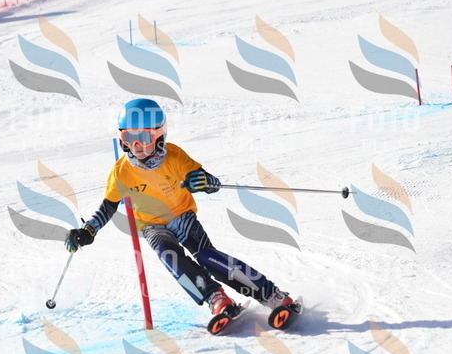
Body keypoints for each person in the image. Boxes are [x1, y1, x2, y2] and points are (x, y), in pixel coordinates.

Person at [65, 98, 296, 323]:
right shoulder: (121, 172)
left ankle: (271, 294)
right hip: (152, 225)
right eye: (129, 138)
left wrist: (203, 182)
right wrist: (88, 230)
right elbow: (108, 206)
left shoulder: (174, 157)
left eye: (144, 138)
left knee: (207, 257)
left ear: (159, 136)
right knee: (170, 257)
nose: (136, 147)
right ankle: (216, 298)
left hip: (181, 215)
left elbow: (207, 180)